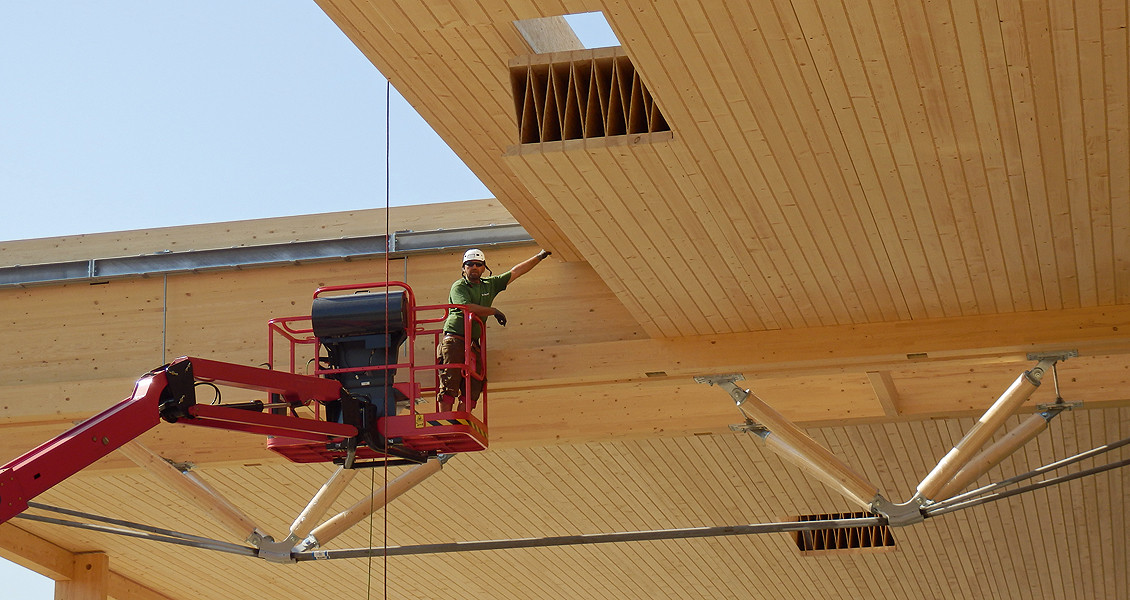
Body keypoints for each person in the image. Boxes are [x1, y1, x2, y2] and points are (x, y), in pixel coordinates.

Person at [437, 247, 551, 411]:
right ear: (463, 268)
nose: (474, 267)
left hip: (472, 344)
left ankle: (460, 423)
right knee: (450, 383)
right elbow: (466, 307)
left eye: (478, 264)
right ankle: (446, 422)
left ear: (484, 267)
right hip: (455, 340)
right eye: (470, 264)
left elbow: (515, 272)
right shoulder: (459, 286)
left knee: (474, 387)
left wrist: (540, 256)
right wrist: (493, 311)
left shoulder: (489, 285)